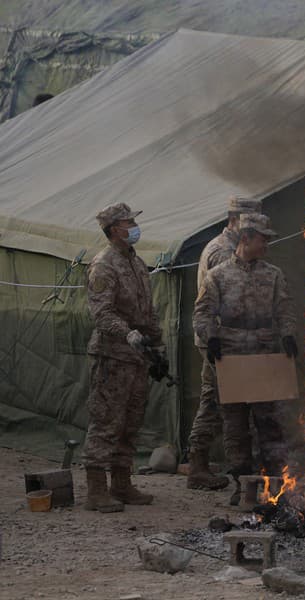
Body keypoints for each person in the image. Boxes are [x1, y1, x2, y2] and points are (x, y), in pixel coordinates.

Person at [193, 213, 298, 505]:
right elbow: (202, 313)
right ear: (246, 238)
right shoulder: (218, 276)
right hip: (233, 358)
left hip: (264, 355)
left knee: (269, 422)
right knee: (235, 426)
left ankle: (276, 484)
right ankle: (243, 484)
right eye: (262, 238)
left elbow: (285, 310)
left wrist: (288, 334)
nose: (267, 243)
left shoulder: (273, 274)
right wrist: (210, 337)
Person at [84, 203, 165, 512]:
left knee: (131, 422)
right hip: (112, 356)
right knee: (106, 419)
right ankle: (96, 490)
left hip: (138, 357)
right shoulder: (104, 265)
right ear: (114, 229)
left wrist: (158, 347)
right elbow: (101, 313)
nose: (134, 226)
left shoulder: (137, 263)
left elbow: (148, 312)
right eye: (129, 221)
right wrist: (126, 332)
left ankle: (121, 484)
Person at [186, 195, 262, 491]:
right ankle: (207, 466)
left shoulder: (228, 247)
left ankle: (198, 464)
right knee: (223, 404)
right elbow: (225, 305)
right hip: (222, 341)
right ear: (236, 219)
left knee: (213, 401)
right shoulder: (222, 253)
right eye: (251, 219)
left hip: (222, 340)